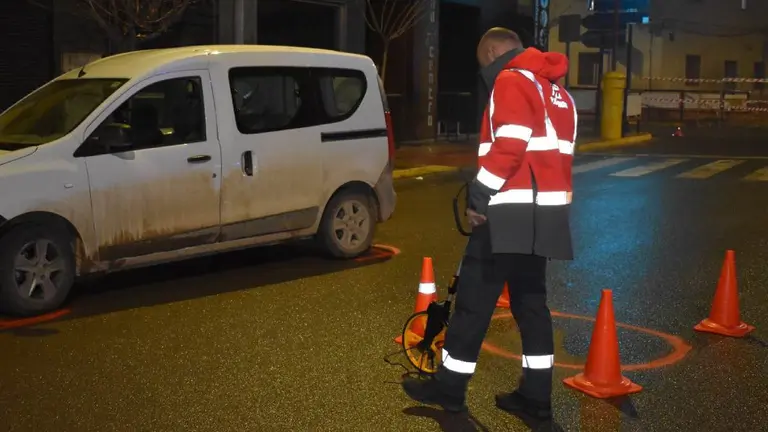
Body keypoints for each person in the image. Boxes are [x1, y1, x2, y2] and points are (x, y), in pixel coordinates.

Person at [401, 27, 577, 421]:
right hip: (543, 216)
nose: (488, 71)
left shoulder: (511, 81)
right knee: (532, 306)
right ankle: (535, 397)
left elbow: (511, 144)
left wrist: (480, 194)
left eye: (486, 61)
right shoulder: (558, 92)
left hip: (507, 213)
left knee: (473, 305)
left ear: (495, 51)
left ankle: (449, 389)